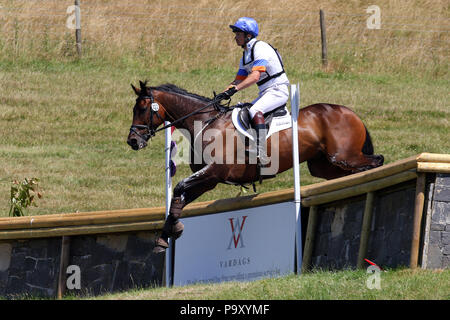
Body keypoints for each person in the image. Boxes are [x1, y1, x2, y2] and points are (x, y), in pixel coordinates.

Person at [218, 17, 290, 167]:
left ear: (248, 36)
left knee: (255, 110)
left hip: (278, 90)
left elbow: (255, 76)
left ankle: (260, 151)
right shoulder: (245, 55)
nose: (235, 37)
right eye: (235, 33)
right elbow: (237, 80)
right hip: (266, 92)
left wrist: (235, 90)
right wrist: (222, 94)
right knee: (242, 110)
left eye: (238, 34)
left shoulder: (260, 48)